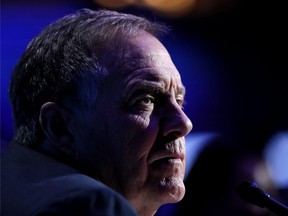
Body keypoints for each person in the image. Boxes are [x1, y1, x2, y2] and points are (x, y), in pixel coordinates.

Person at [1, 8, 193, 216]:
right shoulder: (91, 205)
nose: (183, 124)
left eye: (179, 101)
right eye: (145, 100)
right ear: (60, 127)